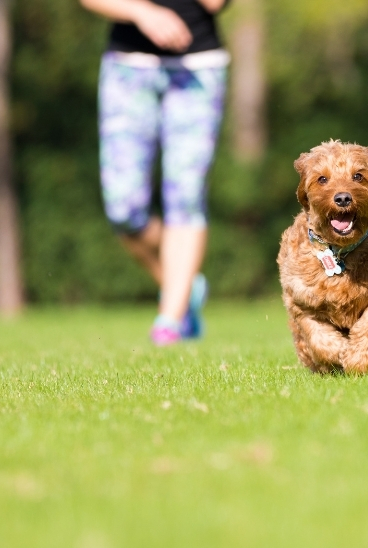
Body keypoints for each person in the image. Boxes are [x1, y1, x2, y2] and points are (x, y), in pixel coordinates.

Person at [80, 0, 229, 345]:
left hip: (198, 67)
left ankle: (169, 320)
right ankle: (183, 283)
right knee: (123, 208)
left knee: (186, 197)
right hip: (127, 67)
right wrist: (142, 12)